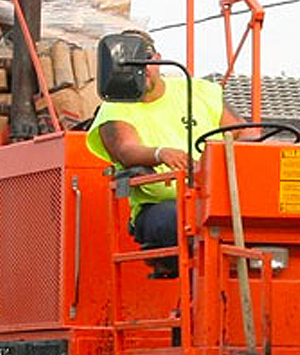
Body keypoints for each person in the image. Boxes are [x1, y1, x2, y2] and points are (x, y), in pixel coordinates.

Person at [84, 30, 244, 249]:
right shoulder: (115, 105)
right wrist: (160, 153)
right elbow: (125, 149)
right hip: (159, 206)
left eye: (145, 59)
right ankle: (199, 279)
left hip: (218, 199)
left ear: (158, 59)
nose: (141, 67)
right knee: (187, 219)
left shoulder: (198, 90)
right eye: (129, 62)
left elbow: (243, 133)